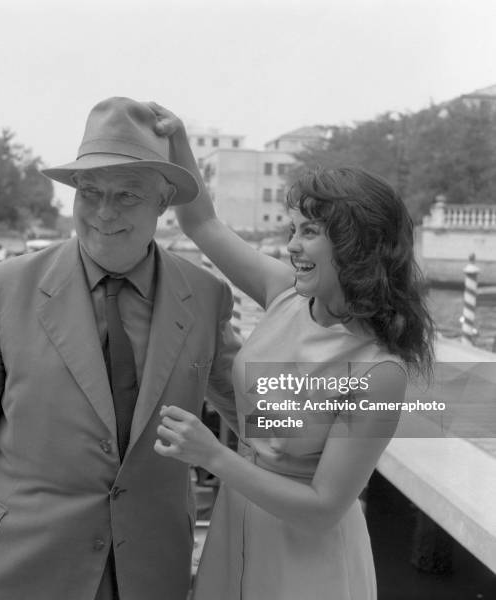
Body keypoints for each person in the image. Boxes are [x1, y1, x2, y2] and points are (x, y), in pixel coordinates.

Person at [0, 97, 240, 600]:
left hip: (152, 572)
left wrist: (363, 382)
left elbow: (263, 412)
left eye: (128, 195)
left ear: (164, 203)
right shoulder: (2, 289)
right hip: (15, 568)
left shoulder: (205, 297)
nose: (104, 213)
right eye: (89, 192)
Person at [150, 103, 434, 599]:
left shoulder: (380, 372)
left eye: (308, 232)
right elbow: (203, 223)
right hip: (236, 520)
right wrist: (178, 141)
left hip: (306, 557)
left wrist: (212, 454)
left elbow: (325, 505)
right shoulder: (284, 293)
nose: (291, 247)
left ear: (357, 245)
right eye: (291, 230)